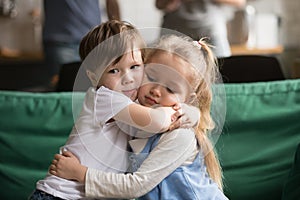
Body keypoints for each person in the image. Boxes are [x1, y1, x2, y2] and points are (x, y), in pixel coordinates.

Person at [29, 20, 197, 200]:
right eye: (114, 71)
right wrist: (178, 111)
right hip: (60, 194)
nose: (128, 79)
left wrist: (193, 113)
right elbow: (157, 121)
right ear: (94, 77)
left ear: (143, 62)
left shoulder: (133, 104)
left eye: (134, 67)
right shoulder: (106, 98)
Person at [49, 34, 228, 199]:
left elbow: (136, 185)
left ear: (188, 99)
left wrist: (81, 173)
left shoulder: (179, 135)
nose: (156, 90)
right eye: (151, 76)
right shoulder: (133, 116)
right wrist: (194, 113)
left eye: (170, 89)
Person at [42, 0, 120, 89]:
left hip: (93, 40)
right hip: (60, 41)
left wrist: (117, 33)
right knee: (64, 88)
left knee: (98, 90)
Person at [156, 0, 246, 57]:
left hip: (210, 33)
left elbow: (240, 2)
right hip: (174, 33)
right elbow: (159, 4)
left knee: (222, 73)